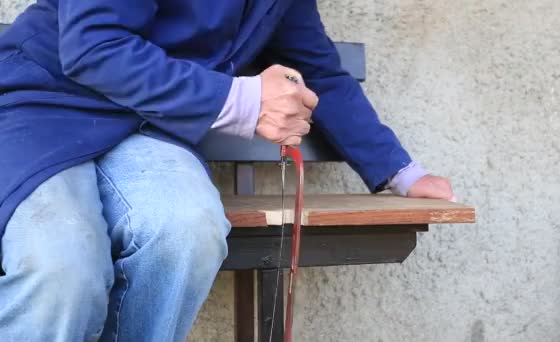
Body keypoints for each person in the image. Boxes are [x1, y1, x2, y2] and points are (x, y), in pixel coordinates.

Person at [0, 0, 454, 340]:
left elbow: (320, 72)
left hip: (150, 127)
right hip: (43, 108)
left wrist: (402, 172)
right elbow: (93, 45)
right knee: (59, 268)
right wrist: (240, 102)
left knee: (190, 230)